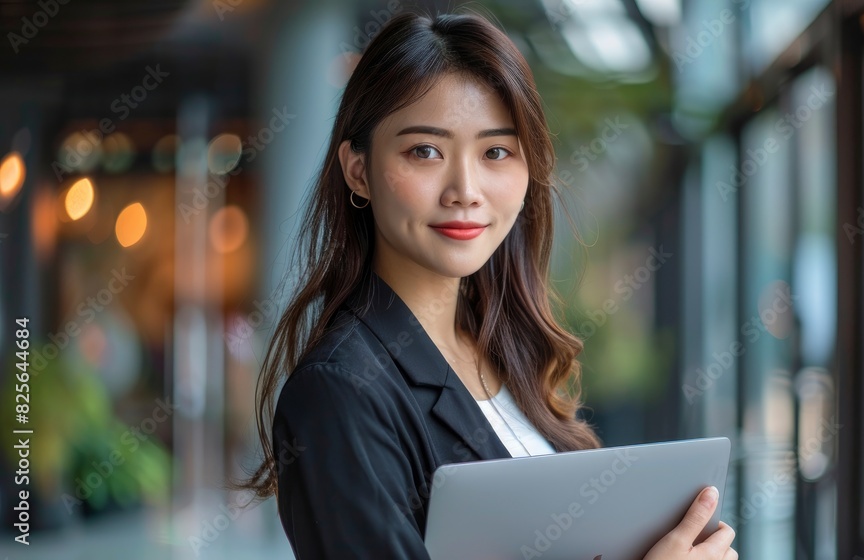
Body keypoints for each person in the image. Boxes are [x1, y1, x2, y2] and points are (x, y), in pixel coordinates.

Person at [234, 9, 737, 560]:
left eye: (496, 151)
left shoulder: (506, 350)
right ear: (359, 170)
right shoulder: (339, 393)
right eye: (424, 151)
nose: (465, 190)